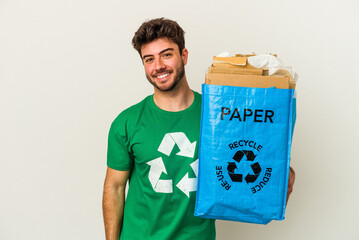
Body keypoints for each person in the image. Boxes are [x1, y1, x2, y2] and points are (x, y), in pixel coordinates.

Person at [102, 18, 295, 240]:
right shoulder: (127, 122)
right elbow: (115, 188)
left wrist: (280, 177)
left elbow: (247, 156)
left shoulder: (219, 115)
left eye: (166, 54)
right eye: (149, 59)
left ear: (183, 56)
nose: (158, 66)